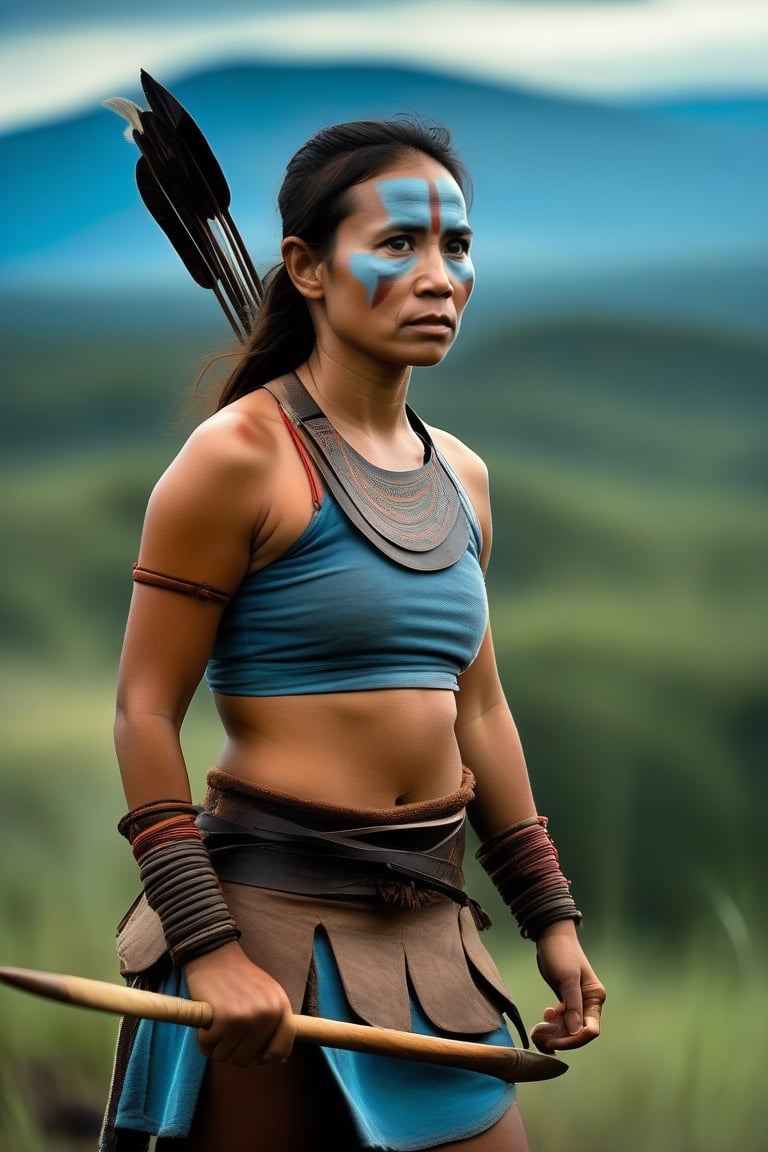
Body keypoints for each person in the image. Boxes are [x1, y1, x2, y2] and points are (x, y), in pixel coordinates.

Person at [99, 116, 605, 1152]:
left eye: (456, 247)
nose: (439, 276)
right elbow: (144, 711)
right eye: (398, 244)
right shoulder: (236, 457)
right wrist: (209, 950)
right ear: (307, 267)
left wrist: (550, 920)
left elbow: (479, 709)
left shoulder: (462, 476)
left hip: (430, 930)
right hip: (265, 931)